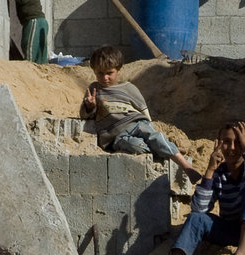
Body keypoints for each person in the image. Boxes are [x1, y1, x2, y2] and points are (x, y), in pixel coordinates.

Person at [137, 121, 245, 255]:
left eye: (238, 142)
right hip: (233, 230)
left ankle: (243, 251)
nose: (232, 148)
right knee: (195, 218)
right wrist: (210, 170)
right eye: (226, 142)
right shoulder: (219, 173)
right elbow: (199, 208)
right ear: (218, 144)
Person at [80, 46, 200, 180]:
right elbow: (85, 115)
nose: (105, 77)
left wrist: (149, 126)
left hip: (137, 124)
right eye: (100, 73)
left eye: (109, 73)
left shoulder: (128, 88)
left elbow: (142, 109)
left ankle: (186, 166)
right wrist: (90, 106)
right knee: (136, 146)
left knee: (154, 137)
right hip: (116, 136)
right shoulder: (94, 90)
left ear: (118, 70)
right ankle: (168, 150)